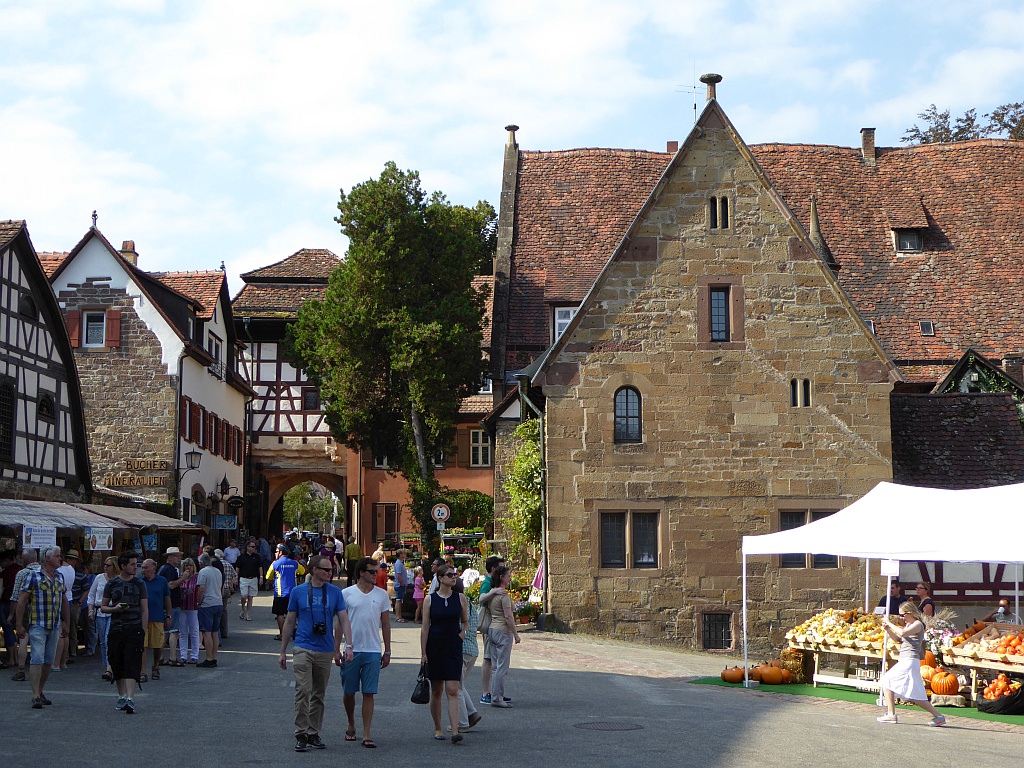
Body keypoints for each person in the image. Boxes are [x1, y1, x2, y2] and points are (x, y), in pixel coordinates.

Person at [279, 555, 354, 752]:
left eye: (331, 570)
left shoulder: (335, 593)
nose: (330, 573)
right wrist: (283, 651)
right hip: (303, 646)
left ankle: (313, 732)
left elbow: (344, 620)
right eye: (326, 570)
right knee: (303, 690)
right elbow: (289, 621)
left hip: (325, 649)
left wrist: (348, 645)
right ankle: (301, 733)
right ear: (314, 570)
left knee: (319, 694)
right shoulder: (298, 592)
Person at [341, 557, 392, 749]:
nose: (376, 575)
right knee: (349, 692)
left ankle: (367, 733)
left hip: (372, 649)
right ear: (361, 573)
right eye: (372, 572)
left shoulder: (382, 595)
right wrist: (337, 649)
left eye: (377, 571)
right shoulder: (347, 593)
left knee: (369, 692)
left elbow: (385, 624)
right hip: (351, 649)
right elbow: (339, 624)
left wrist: (387, 650)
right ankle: (351, 722)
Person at [15, 545, 69, 709]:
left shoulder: (59, 576)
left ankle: (40, 690)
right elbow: (22, 600)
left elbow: (64, 600)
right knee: (37, 657)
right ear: (48, 558)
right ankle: (35, 695)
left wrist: (66, 622)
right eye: (58, 556)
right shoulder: (33, 575)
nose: (60, 559)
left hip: (54, 624)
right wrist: (19, 624)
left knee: (48, 660)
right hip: (38, 623)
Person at [876, 602, 945, 726]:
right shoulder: (909, 625)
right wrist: (888, 629)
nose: (901, 617)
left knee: (886, 680)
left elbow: (902, 633)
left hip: (909, 661)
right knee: (914, 695)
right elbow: (898, 639)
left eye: (903, 615)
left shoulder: (918, 624)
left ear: (911, 613)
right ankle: (938, 716)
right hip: (906, 660)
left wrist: (889, 623)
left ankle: (891, 714)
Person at [421, 565, 468, 744]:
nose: (453, 577)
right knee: (437, 690)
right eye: (449, 575)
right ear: (440, 578)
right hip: (435, 647)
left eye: (455, 574)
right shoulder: (430, 599)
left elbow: (465, 621)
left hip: (453, 647)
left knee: (453, 689)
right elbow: (425, 628)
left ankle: (455, 730)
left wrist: (461, 635)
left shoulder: (460, 598)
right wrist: (423, 653)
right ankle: (438, 727)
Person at [101, 551, 148, 715]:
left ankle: (130, 698)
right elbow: (103, 607)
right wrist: (115, 609)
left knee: (132, 662)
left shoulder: (139, 583)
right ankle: (121, 696)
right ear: (123, 566)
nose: (136, 567)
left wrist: (143, 630)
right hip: (116, 628)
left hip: (134, 628)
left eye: (136, 564)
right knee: (117, 661)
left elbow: (144, 608)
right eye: (132, 564)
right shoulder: (112, 584)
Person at [486, 565, 521, 709]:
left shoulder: (492, 594)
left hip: (492, 629)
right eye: (508, 576)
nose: (510, 578)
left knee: (495, 666)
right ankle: (497, 698)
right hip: (503, 631)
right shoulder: (504, 596)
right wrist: (515, 634)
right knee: (502, 667)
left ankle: (495, 695)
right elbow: (508, 616)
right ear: (502, 578)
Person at [477, 555, 506, 704]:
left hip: (495, 624)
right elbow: (481, 599)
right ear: (494, 569)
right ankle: (485, 692)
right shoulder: (487, 582)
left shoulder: (493, 581)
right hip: (490, 623)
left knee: (494, 659)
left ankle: (495, 692)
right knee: (488, 658)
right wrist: (493, 592)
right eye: (500, 568)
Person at [9, 548, 40, 682]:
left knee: (23, 637)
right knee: (39, 638)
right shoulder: (43, 572)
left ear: (26, 560)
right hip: (40, 609)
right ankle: (39, 668)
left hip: (26, 608)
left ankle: (21, 669)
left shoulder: (22, 573)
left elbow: (15, 597)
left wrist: (11, 615)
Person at [456, 583, 483, 732]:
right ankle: (472, 713)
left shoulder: (458, 603)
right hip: (472, 649)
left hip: (461, 648)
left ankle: (462, 722)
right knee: (459, 684)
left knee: (456, 688)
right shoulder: (470, 604)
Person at [140, 559, 171, 681]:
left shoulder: (162, 581)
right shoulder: (139, 581)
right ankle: (143, 671)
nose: (143, 570)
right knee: (142, 645)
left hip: (157, 617)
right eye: (142, 568)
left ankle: (156, 666)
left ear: (153, 568)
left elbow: (167, 598)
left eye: (146, 568)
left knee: (158, 645)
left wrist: (169, 615)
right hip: (142, 618)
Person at [268, 544, 306, 641]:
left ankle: (282, 634)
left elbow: (268, 576)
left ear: (281, 552)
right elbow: (302, 571)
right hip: (293, 593)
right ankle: (294, 628)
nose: (275, 553)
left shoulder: (275, 564)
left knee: (280, 614)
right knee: (292, 612)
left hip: (280, 593)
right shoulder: (294, 563)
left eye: (277, 551)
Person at [88, 557, 117, 680]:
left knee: (108, 638)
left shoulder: (118, 579)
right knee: (103, 642)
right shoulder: (99, 578)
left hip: (113, 611)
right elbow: (91, 595)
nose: (105, 567)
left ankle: (109, 668)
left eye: (108, 565)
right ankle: (107, 666)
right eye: (105, 564)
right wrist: (90, 610)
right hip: (100, 612)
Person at [158, 547, 185, 666]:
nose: (179, 559)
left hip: (165, 603)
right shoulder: (170, 570)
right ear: (169, 557)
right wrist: (183, 578)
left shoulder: (164, 568)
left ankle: (160, 657)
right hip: (171, 604)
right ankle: (173, 657)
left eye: (179, 556)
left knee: (165, 632)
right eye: (176, 556)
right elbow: (171, 585)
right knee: (173, 631)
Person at [196, 553, 223, 667]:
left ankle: (209, 658)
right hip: (218, 602)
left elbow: (201, 589)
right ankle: (214, 657)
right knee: (215, 632)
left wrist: (198, 602)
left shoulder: (203, 572)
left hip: (207, 604)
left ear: (201, 563)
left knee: (206, 632)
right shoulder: (218, 571)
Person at [54, 549, 77, 670]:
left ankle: (56, 663)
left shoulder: (58, 571)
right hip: (70, 598)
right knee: (66, 632)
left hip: (61, 599)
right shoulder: (71, 569)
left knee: (60, 632)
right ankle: (64, 661)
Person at [178, 558, 201, 664]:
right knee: (182, 632)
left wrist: (199, 601)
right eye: (186, 565)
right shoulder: (180, 577)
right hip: (182, 607)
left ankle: (194, 655)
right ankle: (183, 655)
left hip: (193, 607)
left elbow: (200, 590)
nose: (188, 567)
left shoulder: (197, 578)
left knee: (194, 632)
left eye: (190, 565)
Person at [235, 540, 264, 621]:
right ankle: (243, 609)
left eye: (255, 547)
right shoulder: (241, 557)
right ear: (248, 547)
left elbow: (260, 567)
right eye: (252, 546)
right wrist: (236, 577)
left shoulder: (257, 557)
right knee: (244, 596)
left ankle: (248, 614)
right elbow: (237, 568)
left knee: (250, 597)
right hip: (243, 578)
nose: (254, 548)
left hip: (253, 578)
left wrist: (261, 577)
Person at [216, 549, 237, 640]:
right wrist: (231, 584)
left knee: (216, 611)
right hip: (226, 589)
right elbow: (235, 575)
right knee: (224, 610)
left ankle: (217, 632)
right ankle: (224, 631)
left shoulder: (215, 564)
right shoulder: (228, 564)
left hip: (218, 589)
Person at [392, 549, 409, 622]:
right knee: (398, 600)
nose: (405, 554)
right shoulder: (399, 563)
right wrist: (402, 583)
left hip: (400, 584)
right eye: (403, 553)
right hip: (399, 585)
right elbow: (399, 575)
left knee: (400, 600)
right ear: (400, 555)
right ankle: (398, 616)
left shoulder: (400, 563)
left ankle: (399, 616)